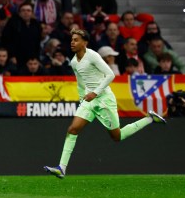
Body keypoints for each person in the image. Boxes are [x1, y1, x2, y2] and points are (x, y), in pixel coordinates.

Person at [44, 30, 166, 179]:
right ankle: (61, 168)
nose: (72, 42)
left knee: (117, 136)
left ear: (85, 43)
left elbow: (110, 75)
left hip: (104, 99)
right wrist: (82, 97)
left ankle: (150, 119)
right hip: (88, 100)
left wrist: (95, 93)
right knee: (73, 129)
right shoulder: (74, 61)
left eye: (76, 40)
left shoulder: (93, 56)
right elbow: (80, 81)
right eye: (72, 40)